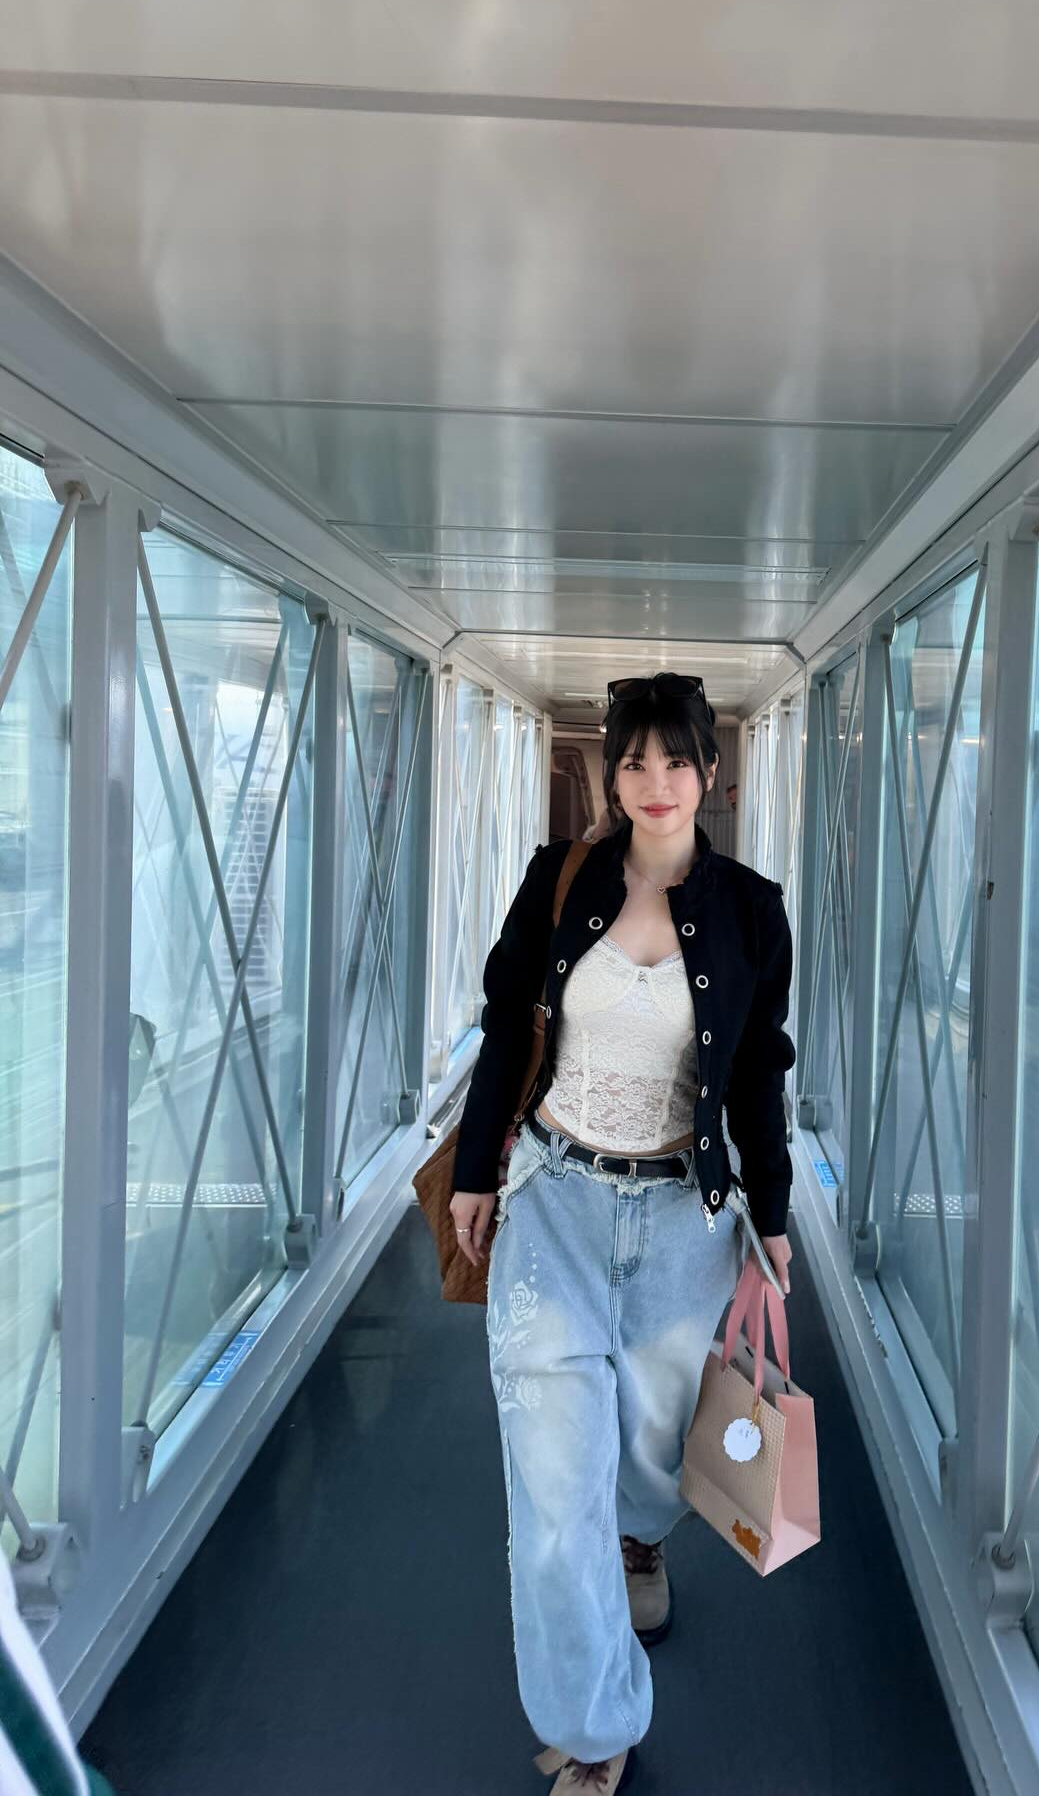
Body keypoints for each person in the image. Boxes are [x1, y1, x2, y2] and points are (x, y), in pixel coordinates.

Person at [450, 672, 796, 1795]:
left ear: (711, 772)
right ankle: (596, 1728)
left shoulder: (752, 910)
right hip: (556, 1205)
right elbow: (507, 1030)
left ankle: (638, 1534)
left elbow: (759, 1073)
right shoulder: (561, 881)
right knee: (555, 1500)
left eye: (676, 760)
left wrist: (775, 1215)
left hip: (684, 1226)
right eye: (635, 761)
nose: (656, 782)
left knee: (651, 1454)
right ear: (611, 774)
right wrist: (473, 1171)